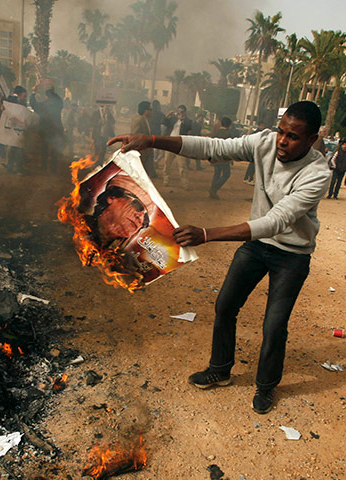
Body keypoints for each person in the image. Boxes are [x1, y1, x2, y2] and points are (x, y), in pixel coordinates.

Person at [107, 101, 331, 414]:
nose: (282, 141)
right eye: (281, 132)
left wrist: (207, 233)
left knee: (274, 325)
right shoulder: (265, 142)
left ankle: (266, 387)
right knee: (225, 304)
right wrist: (153, 141)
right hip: (257, 245)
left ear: (311, 140)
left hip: (291, 254)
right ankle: (221, 369)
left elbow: (277, 221)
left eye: (293, 137)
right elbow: (213, 147)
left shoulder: (318, 173)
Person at [160, 104, 192, 188]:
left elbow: (188, 131)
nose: (180, 113)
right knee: (167, 163)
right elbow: (163, 123)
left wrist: (182, 121)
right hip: (170, 142)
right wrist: (168, 115)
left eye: (181, 112)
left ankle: (185, 184)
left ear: (185, 112)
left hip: (180, 144)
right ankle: (166, 180)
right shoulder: (173, 119)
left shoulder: (188, 121)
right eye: (178, 112)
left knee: (182, 165)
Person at [209, 116, 235, 199]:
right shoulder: (229, 134)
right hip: (224, 158)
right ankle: (214, 189)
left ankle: (212, 191)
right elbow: (230, 147)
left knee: (216, 174)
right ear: (229, 125)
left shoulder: (216, 133)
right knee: (226, 174)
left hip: (216, 156)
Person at [130, 101, 156, 178]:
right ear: (145, 110)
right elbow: (135, 135)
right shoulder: (139, 120)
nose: (152, 111)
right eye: (150, 109)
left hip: (146, 151)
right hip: (141, 151)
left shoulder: (144, 119)